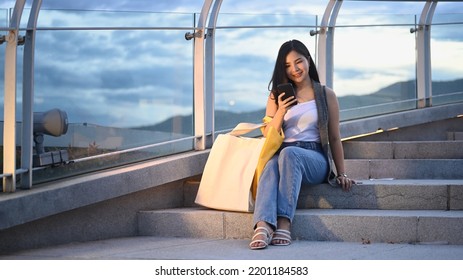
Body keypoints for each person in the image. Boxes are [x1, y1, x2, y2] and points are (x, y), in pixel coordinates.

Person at [249, 39, 355, 250]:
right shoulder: (275, 96)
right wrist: (280, 111)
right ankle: (263, 224)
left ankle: (284, 222)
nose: (295, 69)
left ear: (308, 60)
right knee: (271, 164)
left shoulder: (326, 95)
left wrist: (341, 172)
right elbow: (268, 135)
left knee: (290, 154)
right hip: (283, 154)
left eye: (298, 62)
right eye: (287, 66)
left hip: (314, 157)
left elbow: (334, 137)